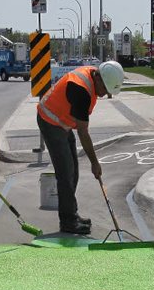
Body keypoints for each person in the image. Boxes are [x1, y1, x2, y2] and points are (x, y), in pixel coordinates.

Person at [37, 60, 125, 235]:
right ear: (99, 80)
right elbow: (83, 133)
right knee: (66, 172)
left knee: (73, 171)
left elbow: (80, 126)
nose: (107, 95)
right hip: (50, 121)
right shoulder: (81, 91)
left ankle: (71, 213)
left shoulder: (94, 75)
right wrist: (95, 163)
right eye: (106, 90)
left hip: (63, 122)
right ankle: (68, 222)